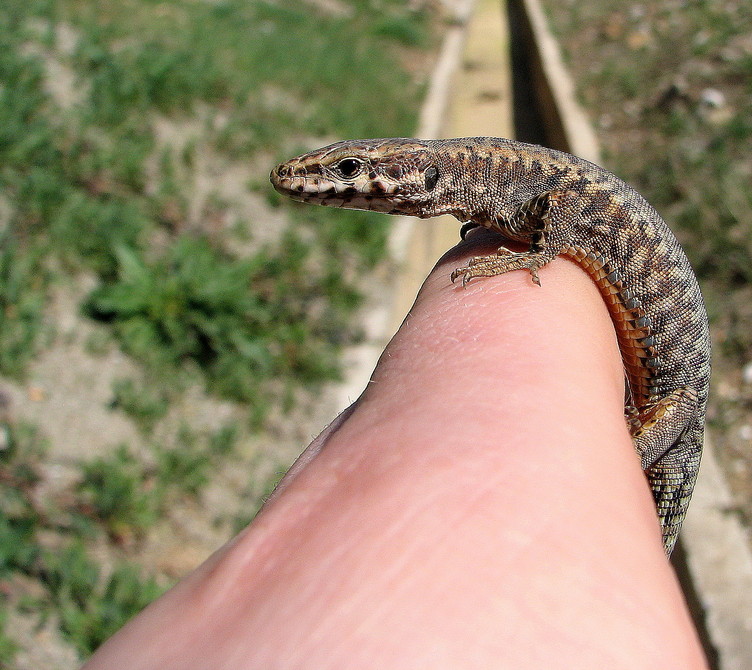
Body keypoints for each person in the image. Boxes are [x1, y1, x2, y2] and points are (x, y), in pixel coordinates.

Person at [84, 230, 709, 669]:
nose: (336, 186)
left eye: (353, 174)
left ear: (417, 181)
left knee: (622, 492)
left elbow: (566, 230)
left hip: (672, 395)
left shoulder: (523, 193)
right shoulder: (501, 189)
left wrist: (534, 256)